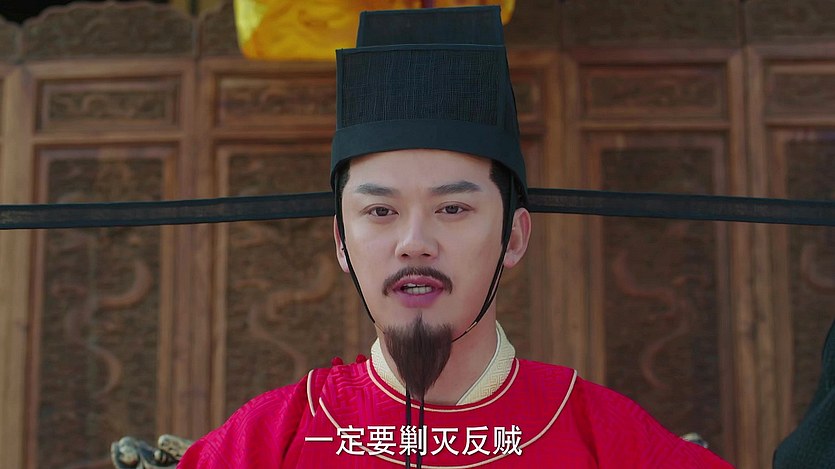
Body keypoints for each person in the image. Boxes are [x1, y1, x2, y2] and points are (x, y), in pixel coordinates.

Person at [178, 6, 733, 468]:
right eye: (380, 211)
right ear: (341, 241)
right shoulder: (270, 439)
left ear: (514, 237)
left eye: (452, 208)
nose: (414, 242)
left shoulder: (604, 436)